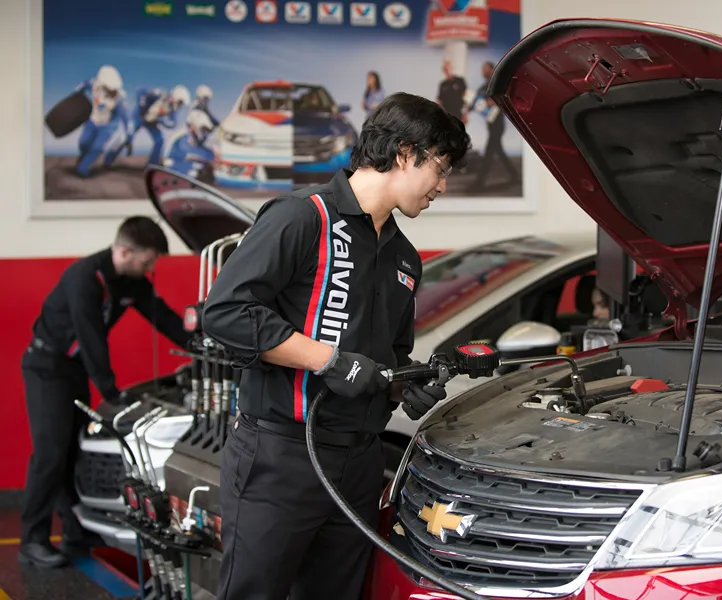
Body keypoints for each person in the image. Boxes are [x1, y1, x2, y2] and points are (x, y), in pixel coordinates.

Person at [202, 92, 471, 600]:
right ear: (405, 153)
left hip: (360, 466)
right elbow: (226, 312)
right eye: (440, 166)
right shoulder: (301, 217)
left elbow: (383, 363)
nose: (442, 185)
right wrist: (328, 360)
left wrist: (404, 386)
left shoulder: (405, 259)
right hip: (280, 457)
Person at [19, 217, 193, 569]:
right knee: (50, 453)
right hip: (46, 367)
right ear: (125, 251)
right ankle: (32, 540)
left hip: (74, 369)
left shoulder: (131, 282)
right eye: (147, 261)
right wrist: (110, 390)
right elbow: (91, 337)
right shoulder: (84, 278)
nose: (151, 268)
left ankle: (75, 532)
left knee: (73, 451)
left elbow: (165, 319)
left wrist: (200, 345)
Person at [104, 85, 190, 167]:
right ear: (175, 96)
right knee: (126, 136)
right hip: (138, 117)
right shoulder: (159, 94)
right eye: (180, 102)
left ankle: (152, 165)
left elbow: (173, 124)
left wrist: (160, 120)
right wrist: (143, 108)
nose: (180, 105)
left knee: (160, 140)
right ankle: (108, 161)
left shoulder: (172, 110)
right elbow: (140, 91)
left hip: (151, 123)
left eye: (181, 103)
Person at [468, 61, 519, 193]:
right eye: (482, 69)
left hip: (498, 124)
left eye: (485, 69)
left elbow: (505, 97)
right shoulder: (483, 87)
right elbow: (476, 100)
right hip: (490, 124)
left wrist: (493, 101)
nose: (482, 72)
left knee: (489, 152)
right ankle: (515, 176)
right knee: (499, 152)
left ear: (491, 70)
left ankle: (479, 182)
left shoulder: (498, 84)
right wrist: (470, 106)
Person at [73, 65, 131, 178]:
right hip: (92, 120)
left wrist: (129, 136)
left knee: (97, 147)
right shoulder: (93, 85)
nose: (112, 90)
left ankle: (82, 169)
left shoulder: (120, 99)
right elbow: (79, 89)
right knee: (83, 143)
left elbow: (125, 117)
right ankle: (83, 157)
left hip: (107, 126)